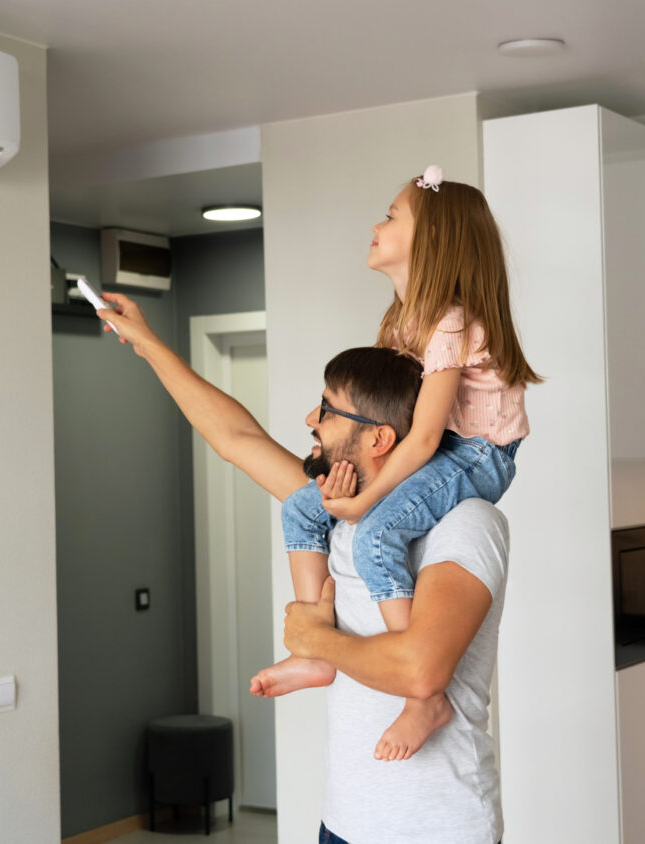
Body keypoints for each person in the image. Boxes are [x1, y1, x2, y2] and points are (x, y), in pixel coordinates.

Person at [97, 295, 508, 844]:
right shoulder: (341, 509)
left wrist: (317, 641)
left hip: (434, 829)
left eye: (328, 410)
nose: (311, 420)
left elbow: (421, 672)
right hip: (343, 823)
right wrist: (147, 343)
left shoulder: (466, 523)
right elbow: (236, 440)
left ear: (379, 438)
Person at [248, 165, 540, 761]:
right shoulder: (399, 321)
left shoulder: (451, 321)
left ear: (430, 241)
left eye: (391, 216)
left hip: (477, 453)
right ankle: (314, 648)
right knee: (305, 509)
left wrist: (362, 500)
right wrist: (333, 461)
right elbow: (387, 420)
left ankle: (421, 696)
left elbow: (427, 436)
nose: (376, 226)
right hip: (434, 446)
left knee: (376, 530)